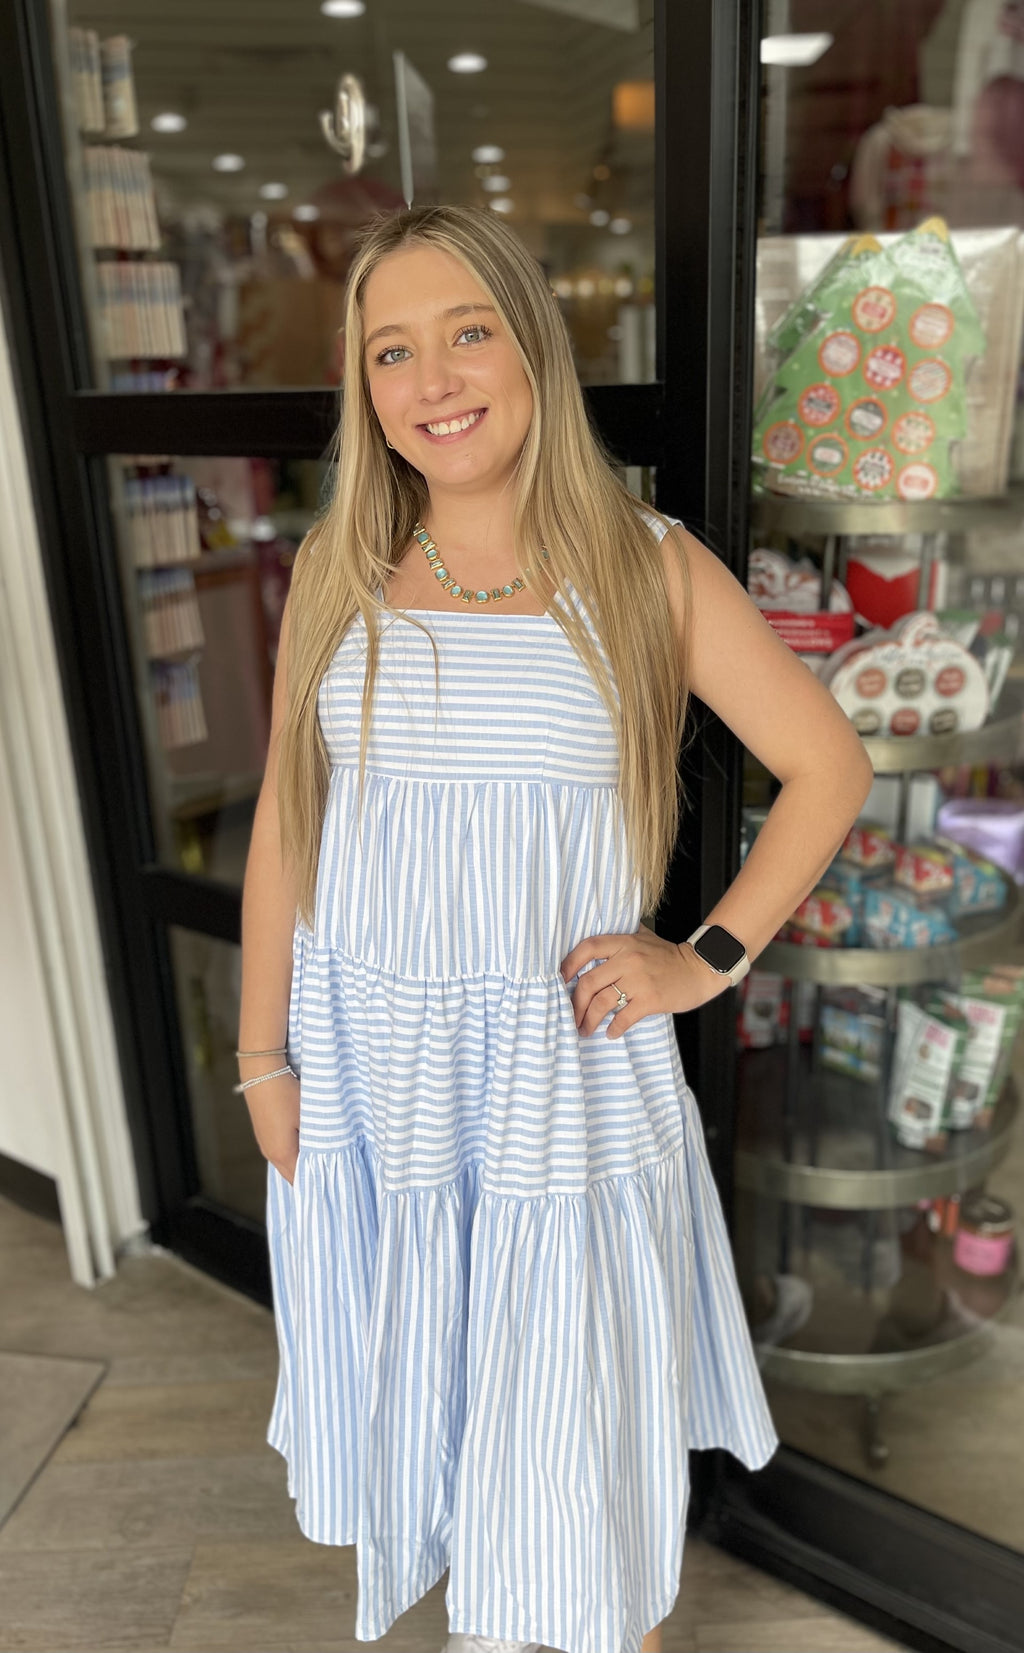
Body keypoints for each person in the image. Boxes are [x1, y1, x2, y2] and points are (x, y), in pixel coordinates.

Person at [236, 202, 874, 1653]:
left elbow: (829, 766)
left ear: (533, 346)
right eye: (392, 350)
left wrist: (701, 958)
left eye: (468, 330)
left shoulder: (644, 569)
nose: (434, 377)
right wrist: (262, 1049)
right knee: (442, 1404)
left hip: (552, 1077)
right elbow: (286, 818)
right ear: (365, 387)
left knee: (579, 1436)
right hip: (373, 1072)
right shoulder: (338, 573)